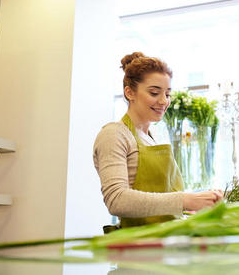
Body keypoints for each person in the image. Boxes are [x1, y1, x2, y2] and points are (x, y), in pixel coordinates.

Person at [93, 52, 223, 232]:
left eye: (167, 94)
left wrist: (196, 205)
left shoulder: (152, 138)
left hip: (168, 243)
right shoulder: (114, 134)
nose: (164, 101)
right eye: (154, 92)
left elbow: (163, 205)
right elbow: (117, 200)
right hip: (139, 249)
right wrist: (186, 200)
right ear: (129, 92)